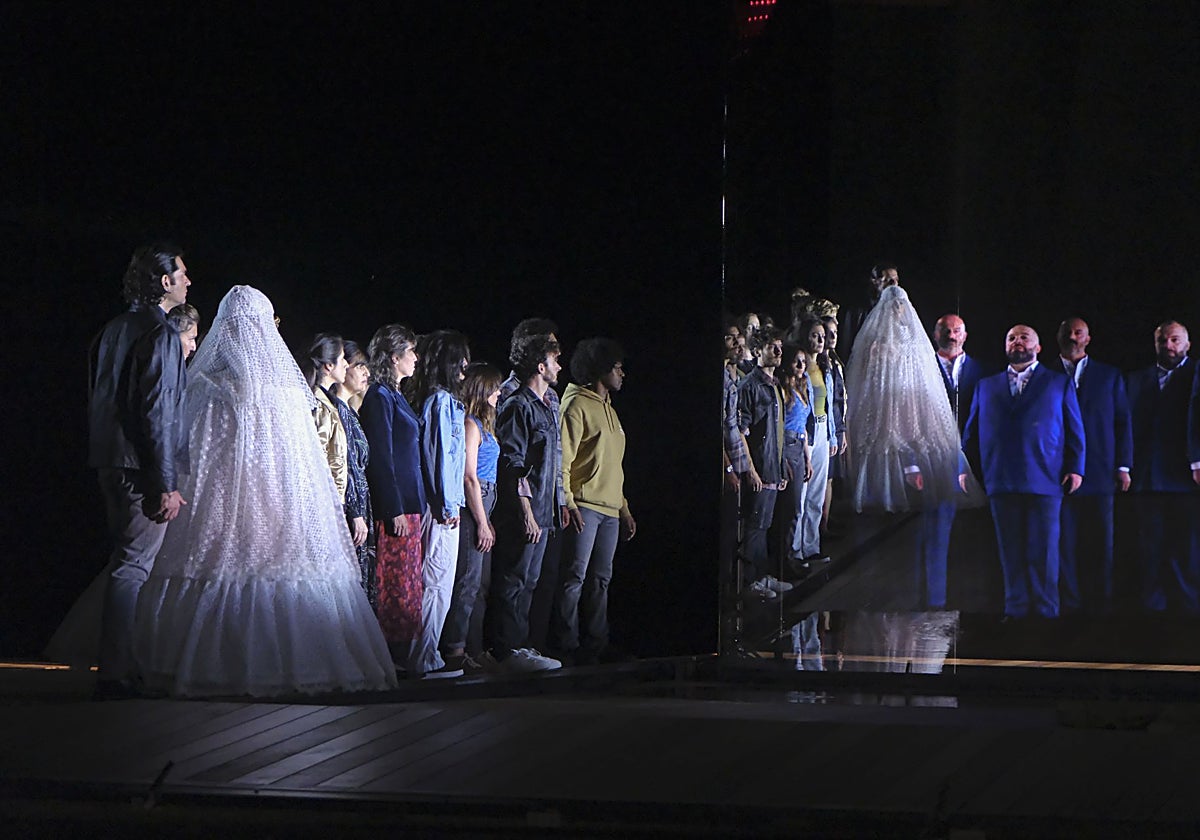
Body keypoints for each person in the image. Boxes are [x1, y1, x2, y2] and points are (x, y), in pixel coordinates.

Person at [134, 286, 396, 696]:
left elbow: (197, 457)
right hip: (267, 503)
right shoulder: (281, 393)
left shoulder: (206, 385)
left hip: (224, 507)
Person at [87, 243, 190, 698]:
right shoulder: (161, 333)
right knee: (132, 567)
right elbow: (158, 411)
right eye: (183, 274)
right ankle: (115, 673)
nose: (189, 281)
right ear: (164, 282)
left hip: (108, 459)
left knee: (123, 563)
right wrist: (165, 483)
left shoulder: (111, 329)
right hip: (138, 466)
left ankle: (121, 666)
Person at [846, 285, 979, 609]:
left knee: (932, 531)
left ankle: (930, 598)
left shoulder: (917, 353)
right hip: (894, 443)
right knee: (898, 537)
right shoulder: (881, 353)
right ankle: (897, 599)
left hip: (925, 445)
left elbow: (930, 407)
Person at [963, 324, 1085, 619]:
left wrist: (1076, 468)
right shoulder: (987, 385)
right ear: (1005, 346)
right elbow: (970, 433)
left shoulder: (1058, 383)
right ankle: (1015, 608)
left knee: (1044, 552)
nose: (1018, 342)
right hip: (1001, 480)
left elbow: (1075, 431)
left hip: (1046, 480)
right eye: (1011, 338)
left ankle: (1046, 611)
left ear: (1038, 347)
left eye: (1024, 337)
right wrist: (963, 469)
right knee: (1010, 550)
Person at [550, 338, 638, 665]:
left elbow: (614, 466)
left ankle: (596, 645)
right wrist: (569, 502)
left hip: (610, 510)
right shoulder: (575, 406)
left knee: (601, 580)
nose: (622, 374)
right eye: (617, 368)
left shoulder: (610, 409)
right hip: (584, 506)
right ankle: (567, 645)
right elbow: (564, 460)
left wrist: (624, 508)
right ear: (601, 370)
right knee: (574, 577)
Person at [485, 334, 564, 672]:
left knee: (530, 580)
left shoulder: (547, 405)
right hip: (523, 511)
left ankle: (522, 645)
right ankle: (506, 649)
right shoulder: (518, 405)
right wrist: (526, 511)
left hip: (545, 509)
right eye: (555, 359)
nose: (560, 365)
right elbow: (512, 463)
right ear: (540, 365)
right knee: (513, 578)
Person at [359, 324, 427, 671]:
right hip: (397, 508)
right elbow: (382, 458)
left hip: (413, 504)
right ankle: (391, 659)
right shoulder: (379, 397)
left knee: (409, 583)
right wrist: (393, 507)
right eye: (411, 352)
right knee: (394, 584)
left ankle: (405, 657)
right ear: (395, 356)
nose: (416, 358)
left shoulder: (397, 396)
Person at [1055, 318, 1132, 614]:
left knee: (1101, 542)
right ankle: (1069, 603)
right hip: (1058, 473)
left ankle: (1102, 604)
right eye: (1068, 333)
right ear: (1058, 337)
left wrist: (1124, 465)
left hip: (1101, 472)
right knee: (1063, 544)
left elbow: (1123, 422)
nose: (1073, 337)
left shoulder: (1109, 376)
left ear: (1088, 339)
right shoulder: (1045, 373)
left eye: (1078, 333)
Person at [407, 329, 471, 679]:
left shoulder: (441, 400)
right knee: (434, 583)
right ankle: (424, 657)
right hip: (441, 508)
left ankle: (425, 654)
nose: (465, 365)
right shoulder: (441, 402)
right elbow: (439, 457)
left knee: (437, 583)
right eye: (459, 358)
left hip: (444, 504)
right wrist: (447, 505)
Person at [1129, 320, 1200, 613]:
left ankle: (1188, 607)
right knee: (1150, 545)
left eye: (1174, 340)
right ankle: (1152, 609)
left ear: (1187, 344)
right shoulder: (1136, 379)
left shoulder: (1196, 374)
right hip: (1147, 477)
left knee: (1186, 546)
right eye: (1163, 341)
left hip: (1186, 476)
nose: (1168, 346)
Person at [443, 362, 503, 671]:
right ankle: (455, 650)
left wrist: (488, 518)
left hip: (486, 504)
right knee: (467, 582)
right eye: (494, 388)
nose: (498, 393)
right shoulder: (470, 425)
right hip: (471, 507)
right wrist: (480, 521)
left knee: (481, 584)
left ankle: (476, 648)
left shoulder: (485, 424)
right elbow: (469, 477)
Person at [735, 327, 792, 599]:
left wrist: (781, 466)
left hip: (772, 468)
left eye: (780, 346)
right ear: (758, 351)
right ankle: (750, 581)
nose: (779, 352)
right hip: (758, 468)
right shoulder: (750, 387)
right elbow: (741, 430)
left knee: (765, 524)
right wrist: (750, 470)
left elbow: (777, 429)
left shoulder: (775, 384)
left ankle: (762, 575)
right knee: (755, 526)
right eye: (772, 347)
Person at [331, 340, 375, 607]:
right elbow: (345, 465)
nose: (365, 373)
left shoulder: (351, 412)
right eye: (360, 366)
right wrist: (356, 512)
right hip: (350, 507)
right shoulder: (337, 410)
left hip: (360, 502)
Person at [792, 317, 838, 568]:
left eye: (822, 336)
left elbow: (829, 405)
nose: (820, 341)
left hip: (822, 430)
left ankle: (811, 546)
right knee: (801, 494)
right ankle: (795, 551)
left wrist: (831, 435)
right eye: (814, 335)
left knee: (817, 493)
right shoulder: (799, 367)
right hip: (806, 433)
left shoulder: (824, 366)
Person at [776, 343, 814, 576]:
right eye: (796, 361)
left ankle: (790, 556)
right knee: (789, 508)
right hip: (787, 445)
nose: (801, 366)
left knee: (797, 508)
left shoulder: (802, 386)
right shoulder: (784, 389)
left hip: (800, 445)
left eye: (803, 361)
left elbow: (804, 427)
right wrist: (783, 458)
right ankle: (783, 561)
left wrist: (808, 459)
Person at [301, 333, 349, 504]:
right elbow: (321, 457)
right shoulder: (319, 405)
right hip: (325, 499)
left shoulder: (326, 401)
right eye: (342, 358)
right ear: (329, 365)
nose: (346, 364)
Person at [933, 313, 985, 433]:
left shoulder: (984, 372)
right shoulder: (922, 369)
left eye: (957, 331)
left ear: (965, 336)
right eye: (946, 331)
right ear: (935, 335)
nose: (951, 336)